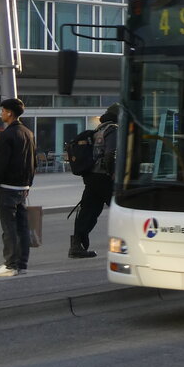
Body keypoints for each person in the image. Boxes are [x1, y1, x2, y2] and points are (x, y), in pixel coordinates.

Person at [0, 97, 36, 277]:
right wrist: (29, 182)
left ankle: (10, 265)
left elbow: (1, 163)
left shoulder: (7, 134)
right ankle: (22, 263)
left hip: (7, 187)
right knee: (22, 228)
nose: (1, 113)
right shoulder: (28, 133)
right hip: (22, 187)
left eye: (2, 111)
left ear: (9, 113)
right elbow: (32, 161)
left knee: (9, 228)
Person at [70, 103, 119, 259]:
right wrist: (113, 173)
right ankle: (131, 245)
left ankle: (77, 246)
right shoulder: (113, 130)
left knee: (88, 212)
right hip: (105, 177)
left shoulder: (98, 130)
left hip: (91, 177)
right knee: (124, 210)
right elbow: (111, 153)